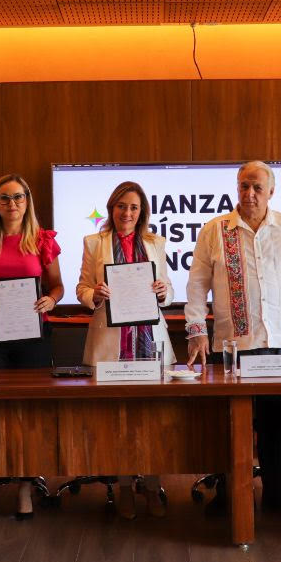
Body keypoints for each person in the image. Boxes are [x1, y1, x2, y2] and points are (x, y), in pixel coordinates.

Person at [185, 161, 281, 519]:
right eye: (244, 186)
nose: (250, 194)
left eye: (257, 187)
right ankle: (228, 492)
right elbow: (196, 286)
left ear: (271, 191)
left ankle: (274, 492)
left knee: (277, 422)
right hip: (233, 346)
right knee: (232, 422)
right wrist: (197, 331)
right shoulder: (215, 230)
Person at [0, 173, 64, 521]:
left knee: (28, 412)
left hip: (32, 336)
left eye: (18, 197)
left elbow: (57, 286)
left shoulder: (41, 239)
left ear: (27, 201)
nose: (12, 204)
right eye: (4, 198)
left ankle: (25, 486)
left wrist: (51, 300)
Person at [76, 180, 177, 519]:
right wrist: (94, 294)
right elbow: (82, 287)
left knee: (153, 419)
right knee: (119, 421)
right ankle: (123, 488)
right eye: (121, 206)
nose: (127, 213)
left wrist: (163, 291)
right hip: (111, 343)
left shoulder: (156, 242)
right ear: (112, 208)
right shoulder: (94, 242)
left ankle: (152, 486)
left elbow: (168, 289)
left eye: (134, 207)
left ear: (142, 211)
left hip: (149, 340)